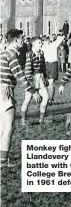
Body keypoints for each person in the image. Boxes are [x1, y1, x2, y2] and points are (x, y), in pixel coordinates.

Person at [0, 29, 40, 167]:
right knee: (9, 127)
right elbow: (20, 76)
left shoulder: (3, 53)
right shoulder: (11, 55)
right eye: (21, 38)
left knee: (2, 128)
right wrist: (33, 91)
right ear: (16, 40)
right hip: (5, 92)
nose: (23, 40)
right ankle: (3, 161)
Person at [20, 37, 51, 125]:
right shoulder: (30, 55)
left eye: (41, 42)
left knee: (46, 97)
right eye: (39, 43)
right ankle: (23, 120)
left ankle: (42, 119)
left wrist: (45, 78)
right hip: (32, 79)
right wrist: (30, 86)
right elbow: (28, 71)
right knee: (27, 99)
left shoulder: (41, 53)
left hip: (40, 78)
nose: (41, 44)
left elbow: (44, 67)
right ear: (34, 44)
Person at [42, 33, 65, 104]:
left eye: (47, 40)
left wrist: (61, 35)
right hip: (46, 64)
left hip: (53, 64)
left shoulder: (53, 45)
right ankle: (48, 97)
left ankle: (50, 99)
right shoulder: (42, 47)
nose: (46, 41)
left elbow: (60, 40)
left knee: (51, 82)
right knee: (47, 82)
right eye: (45, 40)